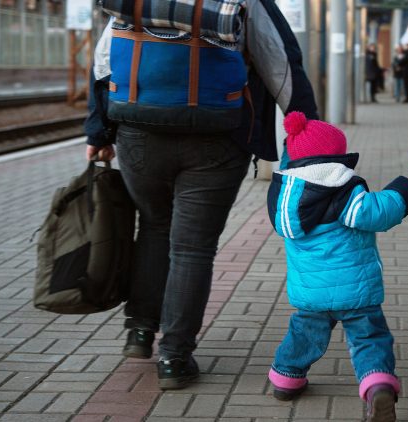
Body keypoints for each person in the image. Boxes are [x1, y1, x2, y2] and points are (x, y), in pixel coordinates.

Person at [84, 0, 319, 390]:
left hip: (139, 132)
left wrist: (97, 131)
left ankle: (140, 332)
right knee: (192, 248)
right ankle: (174, 358)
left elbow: (104, 61)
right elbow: (280, 64)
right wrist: (311, 137)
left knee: (155, 228)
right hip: (217, 136)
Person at [266, 112, 408, 422]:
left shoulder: (287, 195)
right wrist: (405, 188)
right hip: (356, 291)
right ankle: (377, 385)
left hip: (311, 294)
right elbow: (377, 212)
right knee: (369, 337)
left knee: (305, 333)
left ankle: (286, 378)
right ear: (334, 157)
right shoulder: (344, 190)